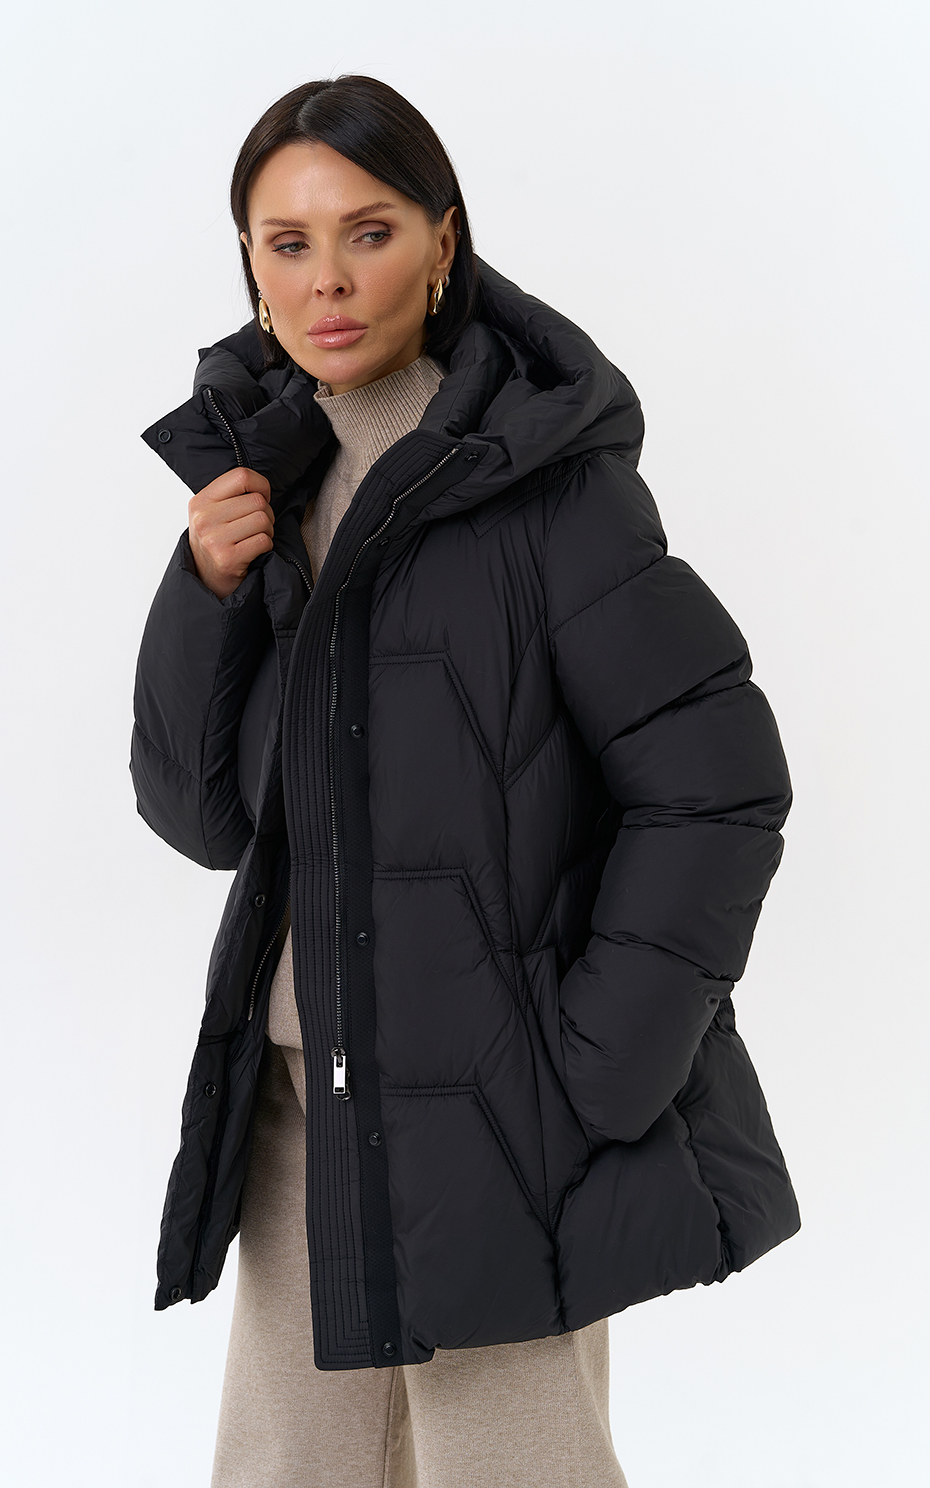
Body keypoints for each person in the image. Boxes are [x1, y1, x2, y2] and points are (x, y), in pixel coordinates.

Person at [131, 74, 800, 1488]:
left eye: (367, 232)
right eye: (288, 241)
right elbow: (200, 820)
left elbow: (719, 783)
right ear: (250, 262)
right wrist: (204, 591)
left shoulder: (546, 490)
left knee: (513, 1466)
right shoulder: (263, 492)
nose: (326, 279)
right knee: (289, 1467)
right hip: (301, 1089)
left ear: (442, 244)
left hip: (503, 1106)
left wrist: (601, 1062)